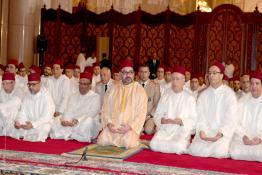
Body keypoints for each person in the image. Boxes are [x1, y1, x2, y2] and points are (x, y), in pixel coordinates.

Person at [188, 61, 238, 158]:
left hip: (221, 133)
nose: (211, 76)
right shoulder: (203, 95)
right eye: (209, 73)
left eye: (214, 73)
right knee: (194, 149)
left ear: (222, 76)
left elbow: (231, 118)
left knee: (220, 151)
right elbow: (199, 116)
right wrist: (202, 132)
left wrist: (220, 134)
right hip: (206, 133)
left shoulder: (229, 94)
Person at [97, 59, 148, 148]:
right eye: (125, 72)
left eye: (130, 72)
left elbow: (142, 113)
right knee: (102, 141)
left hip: (128, 128)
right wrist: (108, 123)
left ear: (134, 74)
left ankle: (136, 138)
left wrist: (130, 127)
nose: (128, 75)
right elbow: (105, 109)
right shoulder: (113, 89)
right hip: (113, 127)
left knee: (128, 143)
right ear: (121, 74)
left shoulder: (139, 90)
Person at [150, 66, 196, 154]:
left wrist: (182, 122)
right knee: (153, 145)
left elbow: (194, 120)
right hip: (165, 129)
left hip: (180, 130)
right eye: (173, 79)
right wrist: (162, 120)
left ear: (183, 81)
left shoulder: (189, 98)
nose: (174, 82)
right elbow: (157, 115)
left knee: (178, 147)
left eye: (177, 79)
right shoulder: (165, 96)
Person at [50, 72, 101, 142]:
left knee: (88, 121)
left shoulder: (95, 97)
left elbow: (92, 113)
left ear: (90, 85)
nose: (82, 86)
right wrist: (66, 120)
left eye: (85, 84)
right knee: (55, 120)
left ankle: (70, 134)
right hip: (71, 121)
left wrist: (77, 120)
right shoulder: (73, 96)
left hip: (85, 121)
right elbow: (68, 110)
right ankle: (71, 134)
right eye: (80, 83)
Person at [8, 73, 55, 142]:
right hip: (28, 122)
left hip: (41, 123)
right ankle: (25, 132)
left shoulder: (46, 96)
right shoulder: (27, 95)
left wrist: (33, 124)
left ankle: (26, 134)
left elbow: (47, 116)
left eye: (33, 84)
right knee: (12, 126)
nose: (30, 87)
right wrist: (19, 121)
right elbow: (22, 112)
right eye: (29, 84)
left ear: (40, 84)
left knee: (44, 128)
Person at [229, 71, 262, 162]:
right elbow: (235, 122)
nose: (254, 86)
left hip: (260, 140)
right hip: (243, 139)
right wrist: (244, 136)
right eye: (251, 83)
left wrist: (259, 138)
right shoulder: (242, 101)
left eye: (257, 83)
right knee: (234, 152)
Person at [138, 65, 160, 134]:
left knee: (148, 130)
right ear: (138, 73)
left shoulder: (155, 85)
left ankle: (153, 127)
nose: (143, 74)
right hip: (136, 115)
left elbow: (157, 104)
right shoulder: (134, 85)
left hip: (149, 115)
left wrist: (150, 115)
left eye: (145, 72)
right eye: (141, 72)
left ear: (149, 73)